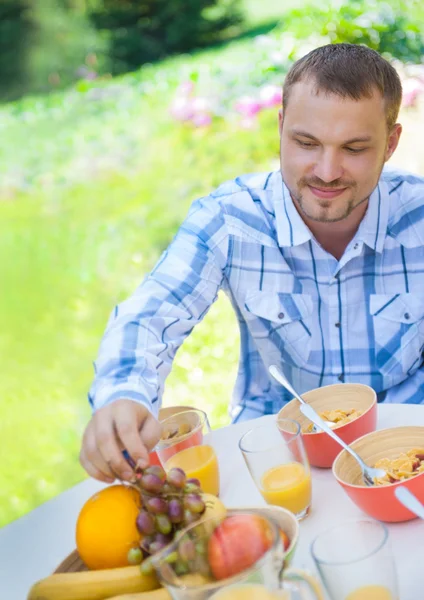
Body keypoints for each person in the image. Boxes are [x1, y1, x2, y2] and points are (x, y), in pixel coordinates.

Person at [80, 42, 424, 484]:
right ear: (281, 127)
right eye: (306, 143)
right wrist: (121, 397)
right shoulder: (229, 219)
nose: (327, 171)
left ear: (391, 143)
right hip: (279, 457)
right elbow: (151, 314)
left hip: (408, 443)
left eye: (354, 148)